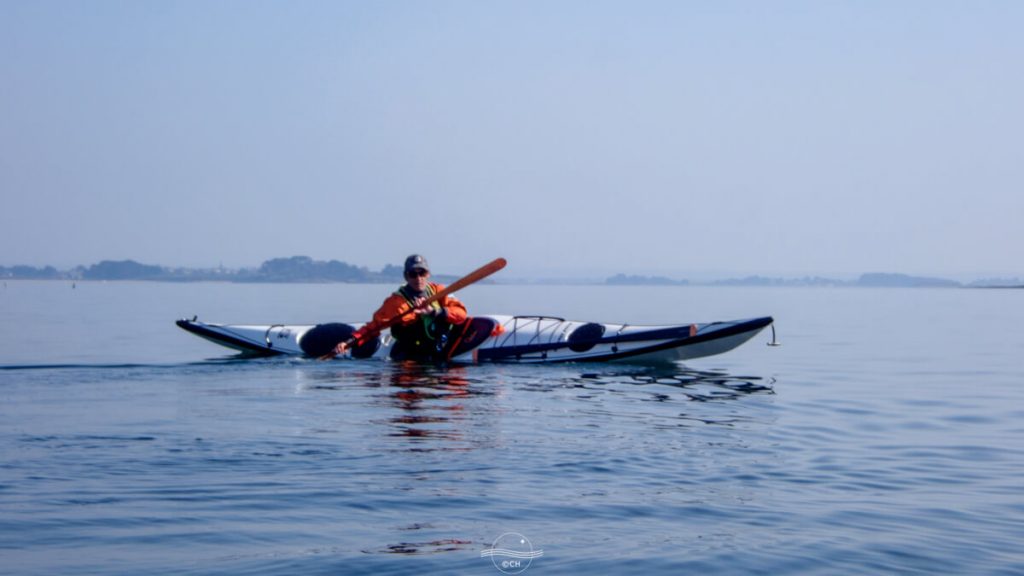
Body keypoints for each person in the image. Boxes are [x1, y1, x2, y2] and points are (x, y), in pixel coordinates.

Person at [329, 255, 469, 361]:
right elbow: (373, 327)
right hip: (411, 356)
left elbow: (461, 313)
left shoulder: (439, 291)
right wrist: (348, 343)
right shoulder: (396, 302)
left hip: (440, 349)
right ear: (406, 276)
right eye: (413, 274)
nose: (418, 278)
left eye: (422, 273)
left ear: (428, 274)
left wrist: (434, 312)